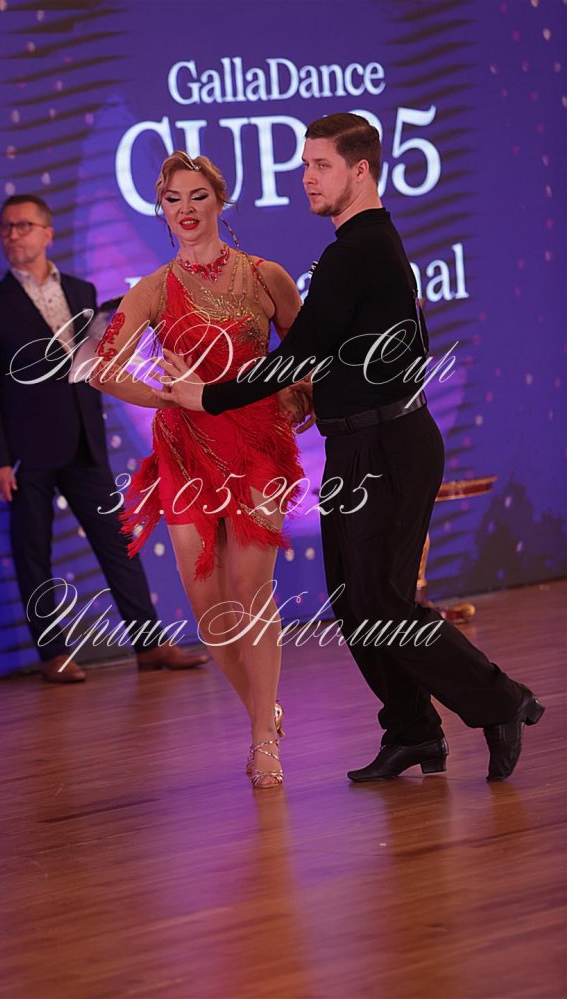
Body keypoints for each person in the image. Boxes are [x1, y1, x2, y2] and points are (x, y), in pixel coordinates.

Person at [156, 115, 545, 783]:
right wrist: (319, 397)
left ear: (360, 170)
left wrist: (206, 396)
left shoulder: (356, 252)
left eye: (323, 165)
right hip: (360, 444)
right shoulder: (364, 246)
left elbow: (300, 353)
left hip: (389, 445)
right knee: (354, 600)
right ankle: (413, 732)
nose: (307, 177)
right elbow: (345, 354)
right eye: (305, 164)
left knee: (384, 603)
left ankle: (501, 701)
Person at [90, 151, 312, 787]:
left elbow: (306, 353)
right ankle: (263, 712)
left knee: (250, 587)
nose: (185, 210)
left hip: (256, 446)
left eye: (197, 197)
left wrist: (299, 396)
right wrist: (167, 396)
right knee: (208, 606)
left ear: (219, 201)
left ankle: (263, 740)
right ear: (160, 210)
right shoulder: (154, 288)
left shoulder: (266, 275)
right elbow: (103, 369)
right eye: (173, 200)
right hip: (184, 453)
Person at [0, 194, 207, 683]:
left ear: (47, 233)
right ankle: (52, 652)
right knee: (33, 553)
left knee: (119, 545)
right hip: (24, 452)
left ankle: (150, 645)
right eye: (5, 228)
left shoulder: (82, 290)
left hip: (84, 441)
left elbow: (98, 360)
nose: (13, 235)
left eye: (23, 226)